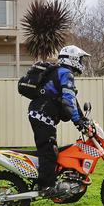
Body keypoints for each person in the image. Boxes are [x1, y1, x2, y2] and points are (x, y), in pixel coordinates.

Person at [28, 45, 91, 197]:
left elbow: (72, 100)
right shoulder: (65, 74)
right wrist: (78, 122)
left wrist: (82, 120)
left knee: (50, 149)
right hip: (42, 115)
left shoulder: (60, 72)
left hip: (41, 114)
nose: (81, 63)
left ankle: (49, 180)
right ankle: (46, 186)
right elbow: (68, 103)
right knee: (49, 151)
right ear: (73, 59)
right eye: (80, 60)